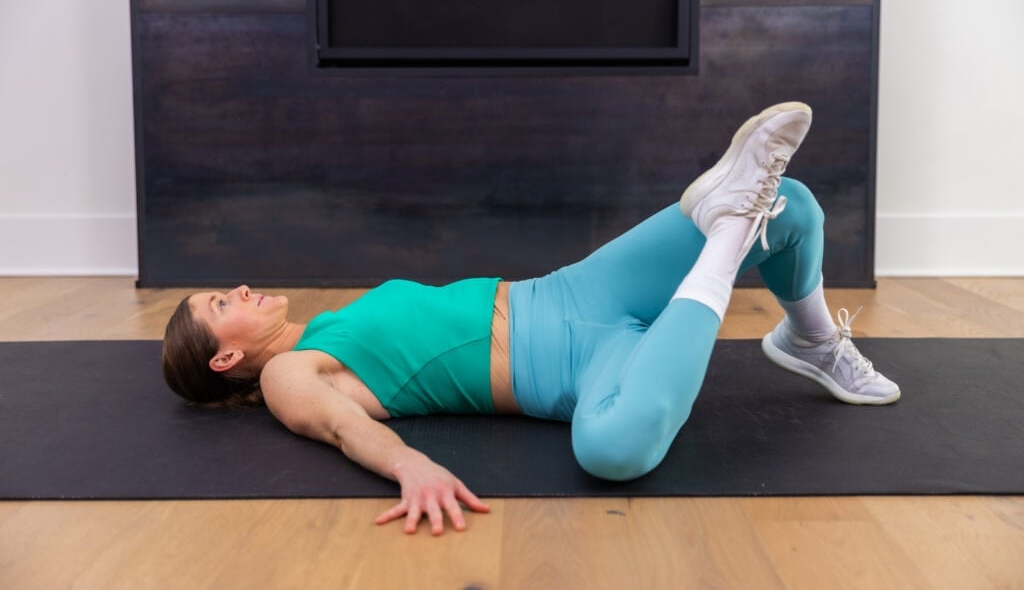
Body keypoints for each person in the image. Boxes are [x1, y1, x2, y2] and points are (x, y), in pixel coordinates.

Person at [162, 102, 899, 536]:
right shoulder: (290, 372)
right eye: (221, 305)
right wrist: (410, 468)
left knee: (792, 205)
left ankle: (809, 337)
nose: (240, 288)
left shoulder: (327, 328)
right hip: (572, 368)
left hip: (575, 292)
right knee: (615, 449)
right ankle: (730, 221)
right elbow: (337, 424)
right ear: (224, 358)